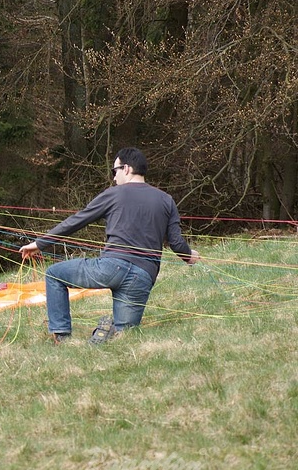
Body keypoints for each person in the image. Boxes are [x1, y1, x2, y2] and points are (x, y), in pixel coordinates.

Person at [19, 147, 200, 344]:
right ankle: (107, 332)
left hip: (111, 267)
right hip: (142, 277)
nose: (114, 178)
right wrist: (189, 256)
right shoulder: (167, 200)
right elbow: (176, 243)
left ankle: (61, 336)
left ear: (127, 169)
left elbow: (78, 220)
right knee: (123, 335)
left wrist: (39, 243)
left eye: (115, 171)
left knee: (54, 274)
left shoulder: (114, 193)